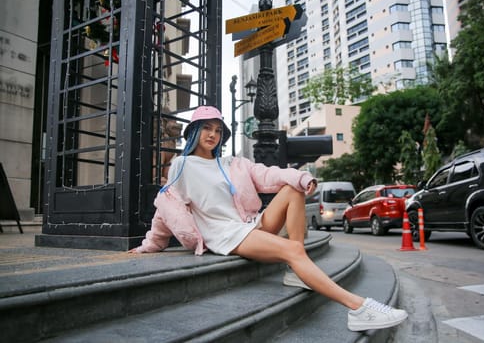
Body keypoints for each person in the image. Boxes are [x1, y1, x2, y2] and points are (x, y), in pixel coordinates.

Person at [130, 105, 408, 331]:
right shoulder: (182, 165)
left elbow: (267, 175)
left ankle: (296, 269)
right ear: (193, 131)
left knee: (293, 188)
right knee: (293, 249)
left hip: (249, 225)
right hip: (225, 234)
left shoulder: (231, 163)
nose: (212, 135)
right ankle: (358, 307)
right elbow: (165, 207)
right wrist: (150, 245)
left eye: (217, 130)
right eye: (206, 127)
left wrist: (302, 177)